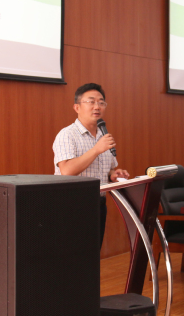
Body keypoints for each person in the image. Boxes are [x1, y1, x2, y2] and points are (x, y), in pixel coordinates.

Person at [53, 83, 129, 249]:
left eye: (101, 102)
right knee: (73, 256)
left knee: (93, 255)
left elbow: (108, 168)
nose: (97, 106)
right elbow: (66, 171)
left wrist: (113, 174)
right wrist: (96, 150)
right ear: (77, 107)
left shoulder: (103, 135)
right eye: (91, 102)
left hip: (98, 203)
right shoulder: (67, 135)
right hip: (71, 205)